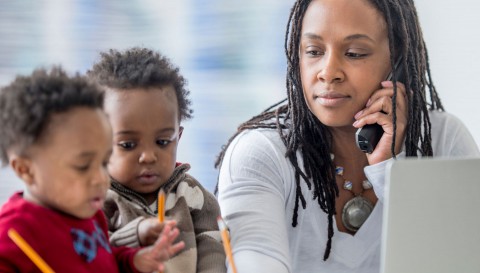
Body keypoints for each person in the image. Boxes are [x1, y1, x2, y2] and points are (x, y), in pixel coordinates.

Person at [215, 0, 480, 272]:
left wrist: (390, 170)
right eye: (314, 51)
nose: (328, 73)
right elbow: (253, 262)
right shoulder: (260, 153)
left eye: (354, 53)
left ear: (397, 58)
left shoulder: (443, 139)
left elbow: (460, 263)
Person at [0, 67, 184, 272]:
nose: (100, 179)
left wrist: (132, 260)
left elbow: (100, 259)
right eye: (82, 166)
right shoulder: (11, 237)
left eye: (104, 162)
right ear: (26, 169)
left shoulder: (88, 211)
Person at [88, 47, 227, 273]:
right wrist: (136, 233)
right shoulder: (94, 199)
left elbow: (213, 246)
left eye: (162, 142)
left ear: (178, 137)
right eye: (128, 145)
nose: (149, 156)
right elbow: (89, 253)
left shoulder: (192, 195)